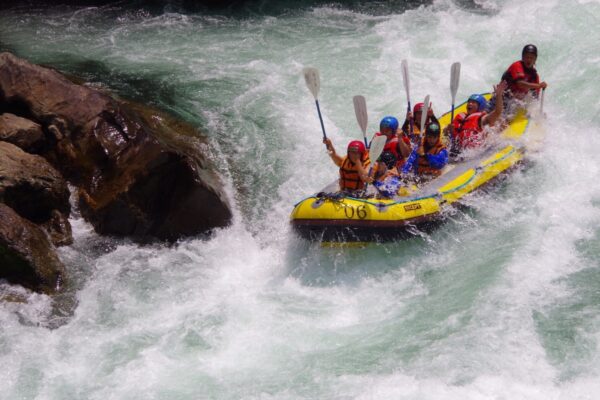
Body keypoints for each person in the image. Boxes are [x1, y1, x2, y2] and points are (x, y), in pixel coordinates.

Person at [444, 80, 507, 156]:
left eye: (473, 102)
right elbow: (445, 134)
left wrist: (499, 95)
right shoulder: (460, 116)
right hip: (455, 150)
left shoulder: (482, 119)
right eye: (469, 102)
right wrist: (448, 129)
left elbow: (498, 112)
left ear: (480, 106)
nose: (470, 103)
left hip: (471, 153)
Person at [489, 44, 548, 113]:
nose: (529, 60)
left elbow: (535, 98)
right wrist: (538, 85)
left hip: (514, 103)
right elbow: (520, 84)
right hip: (501, 98)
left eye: (531, 58)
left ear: (535, 59)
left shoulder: (534, 76)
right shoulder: (517, 65)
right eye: (527, 57)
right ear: (522, 57)